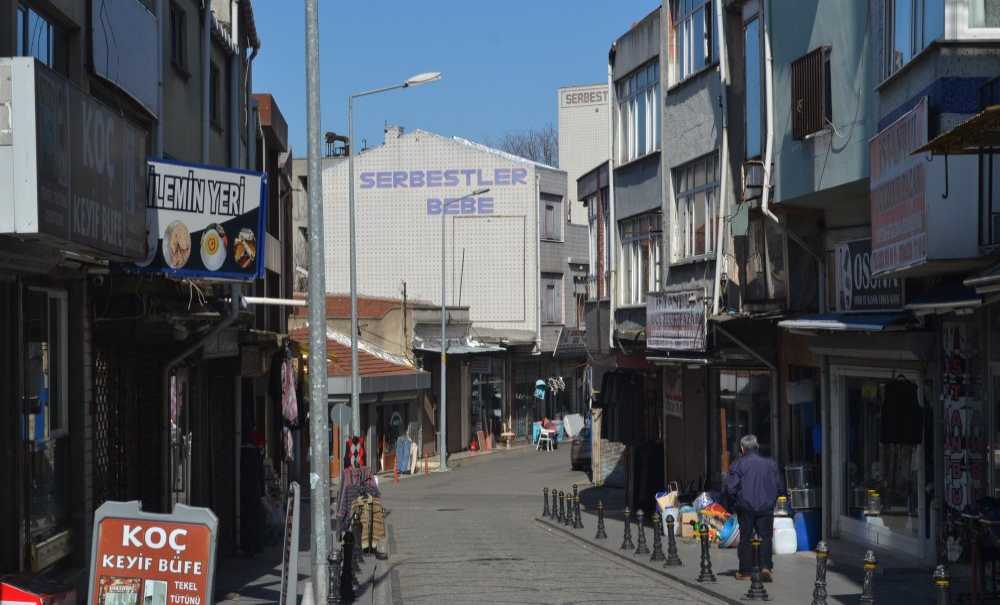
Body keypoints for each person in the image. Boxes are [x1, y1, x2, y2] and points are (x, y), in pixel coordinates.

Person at [722, 434, 784, 582]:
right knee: (766, 537)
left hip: (746, 507)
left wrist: (734, 503)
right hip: (766, 507)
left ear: (742, 449)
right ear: (757, 447)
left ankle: (746, 571)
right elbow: (780, 487)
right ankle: (765, 567)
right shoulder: (770, 464)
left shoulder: (738, 464)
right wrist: (771, 500)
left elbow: (730, 489)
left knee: (746, 538)